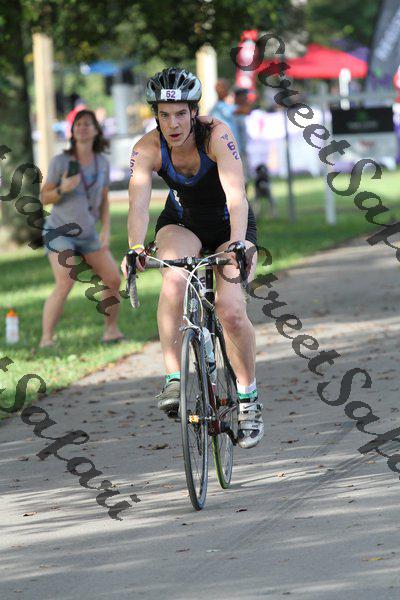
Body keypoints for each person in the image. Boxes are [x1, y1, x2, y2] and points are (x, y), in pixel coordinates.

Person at [122, 68, 263, 449]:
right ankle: (174, 378)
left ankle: (248, 398)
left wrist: (239, 243)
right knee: (174, 279)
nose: (173, 124)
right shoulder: (146, 148)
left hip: (230, 226)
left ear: (194, 112)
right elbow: (138, 203)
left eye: (181, 114)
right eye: (164, 114)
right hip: (182, 224)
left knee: (230, 311)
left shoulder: (217, 135)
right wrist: (135, 246)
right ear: (155, 115)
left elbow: (236, 196)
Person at [39, 109, 125, 348]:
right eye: (78, 124)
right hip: (59, 232)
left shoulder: (102, 163)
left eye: (87, 124)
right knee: (65, 280)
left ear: (96, 130)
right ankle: (46, 338)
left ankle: (111, 331)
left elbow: (104, 198)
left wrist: (106, 228)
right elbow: (43, 198)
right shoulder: (61, 162)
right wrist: (62, 188)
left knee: (113, 279)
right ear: (72, 131)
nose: (82, 128)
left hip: (87, 233)